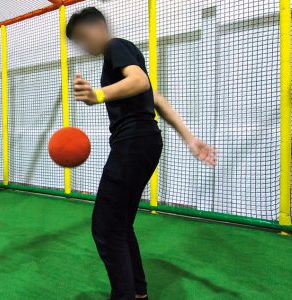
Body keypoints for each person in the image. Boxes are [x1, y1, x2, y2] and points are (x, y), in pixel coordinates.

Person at [67, 7, 217, 300]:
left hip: (133, 142)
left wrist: (98, 95)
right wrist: (190, 138)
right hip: (145, 141)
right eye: (78, 42)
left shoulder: (115, 47)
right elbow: (156, 98)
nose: (84, 46)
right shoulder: (119, 55)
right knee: (120, 225)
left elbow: (140, 83)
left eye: (84, 37)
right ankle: (138, 292)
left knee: (106, 228)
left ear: (99, 26)